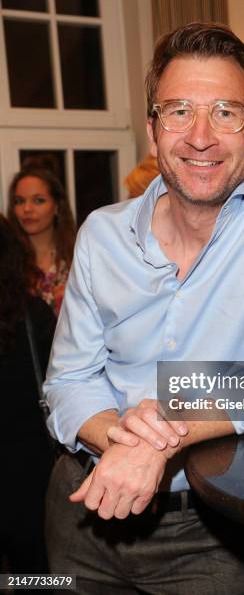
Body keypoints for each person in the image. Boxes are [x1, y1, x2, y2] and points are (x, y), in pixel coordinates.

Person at [44, 22, 244, 593]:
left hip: (212, 527)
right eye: (178, 111)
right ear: (153, 130)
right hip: (81, 506)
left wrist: (164, 439)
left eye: (227, 112)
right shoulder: (102, 233)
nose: (200, 136)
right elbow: (68, 381)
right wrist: (128, 443)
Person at [0, 215, 56, 575]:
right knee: (35, 577)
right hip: (29, 479)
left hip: (27, 473)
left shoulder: (35, 313)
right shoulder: (34, 312)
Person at [7, 165, 76, 315]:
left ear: (57, 206)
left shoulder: (77, 256)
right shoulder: (7, 260)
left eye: (38, 200)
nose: (27, 209)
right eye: (19, 201)